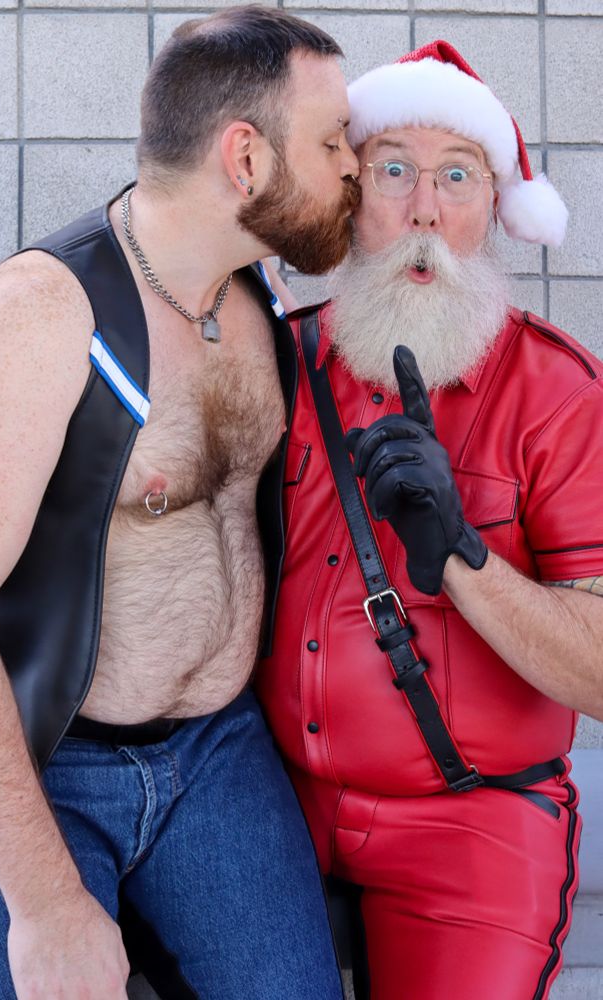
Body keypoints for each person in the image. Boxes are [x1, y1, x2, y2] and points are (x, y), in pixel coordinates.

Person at [0, 7, 361, 999]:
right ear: (245, 158)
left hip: (217, 754)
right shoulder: (39, 318)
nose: (353, 165)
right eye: (333, 142)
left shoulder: (253, 295)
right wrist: (45, 905)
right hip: (37, 764)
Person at [256, 40, 603, 1000]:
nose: (423, 209)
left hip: (473, 824)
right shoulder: (276, 364)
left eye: (456, 176)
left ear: (493, 206)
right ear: (348, 196)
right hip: (267, 802)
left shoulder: (560, 394)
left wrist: (458, 555)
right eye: (393, 170)